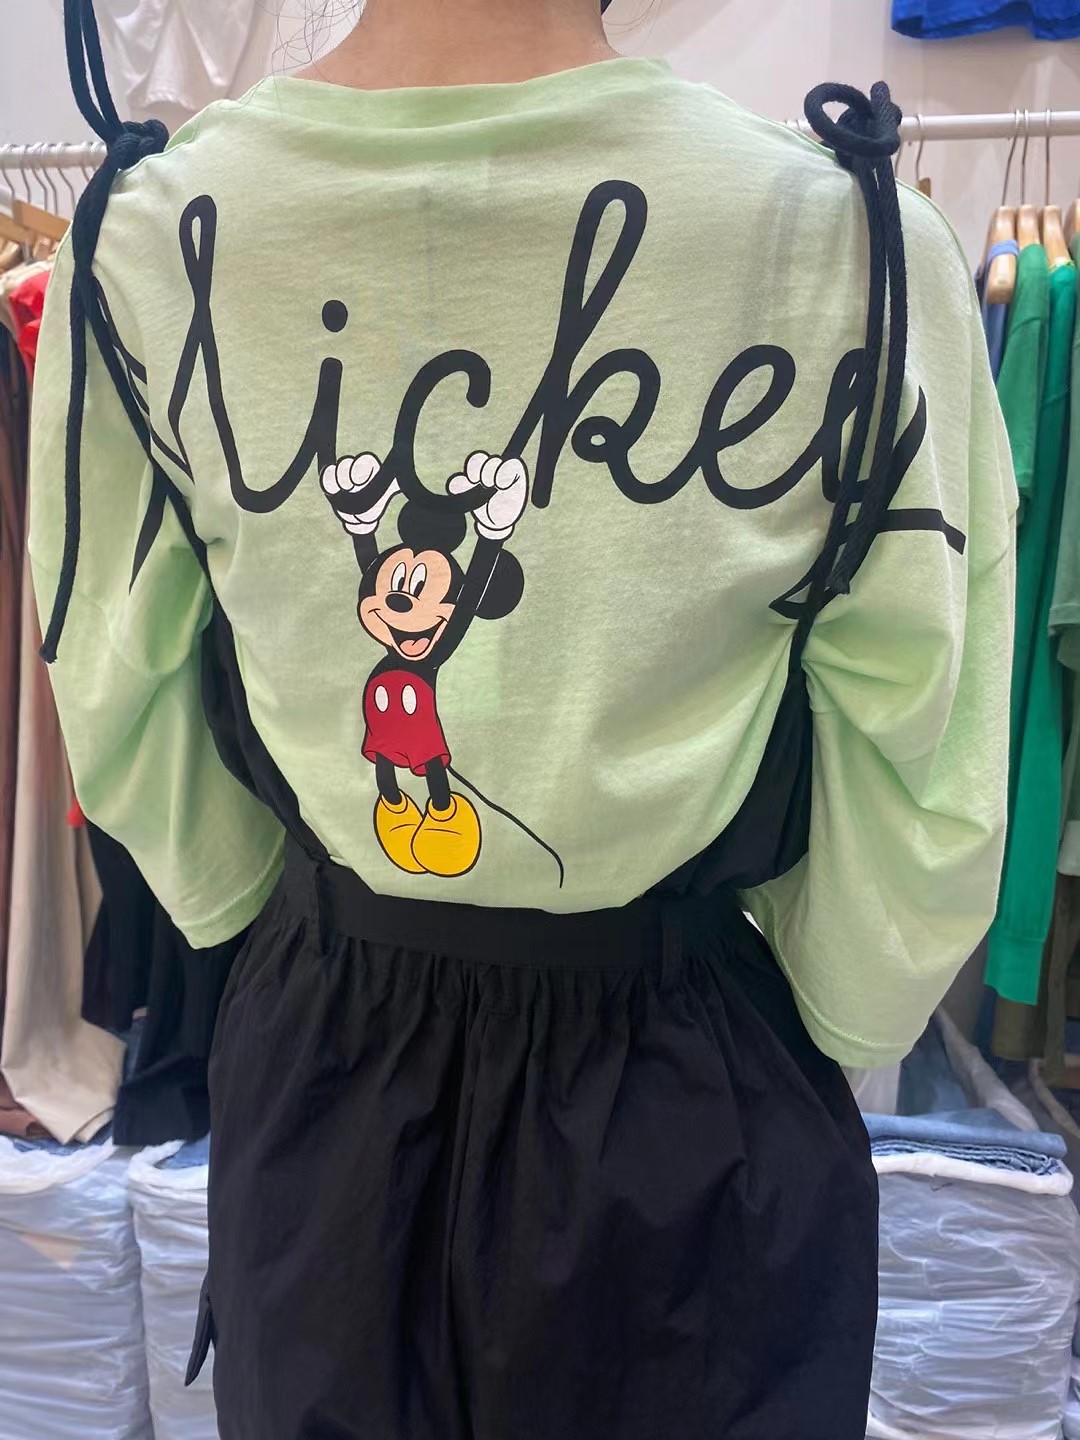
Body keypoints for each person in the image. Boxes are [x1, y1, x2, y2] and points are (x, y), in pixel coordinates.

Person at [29, 1, 1015, 1436]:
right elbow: (922, 749)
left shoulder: (148, 240)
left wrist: (250, 902)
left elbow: (116, 676)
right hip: (688, 1078)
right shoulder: (853, 245)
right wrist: (848, 1001)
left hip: (331, 1053)